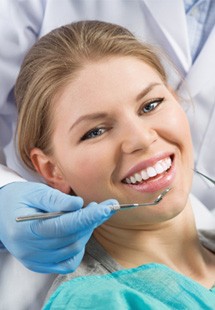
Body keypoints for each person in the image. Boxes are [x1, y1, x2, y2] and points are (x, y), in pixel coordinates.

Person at [0, 1, 215, 309]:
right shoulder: (100, 301)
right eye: (95, 132)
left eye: (151, 105)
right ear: (51, 169)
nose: (141, 139)